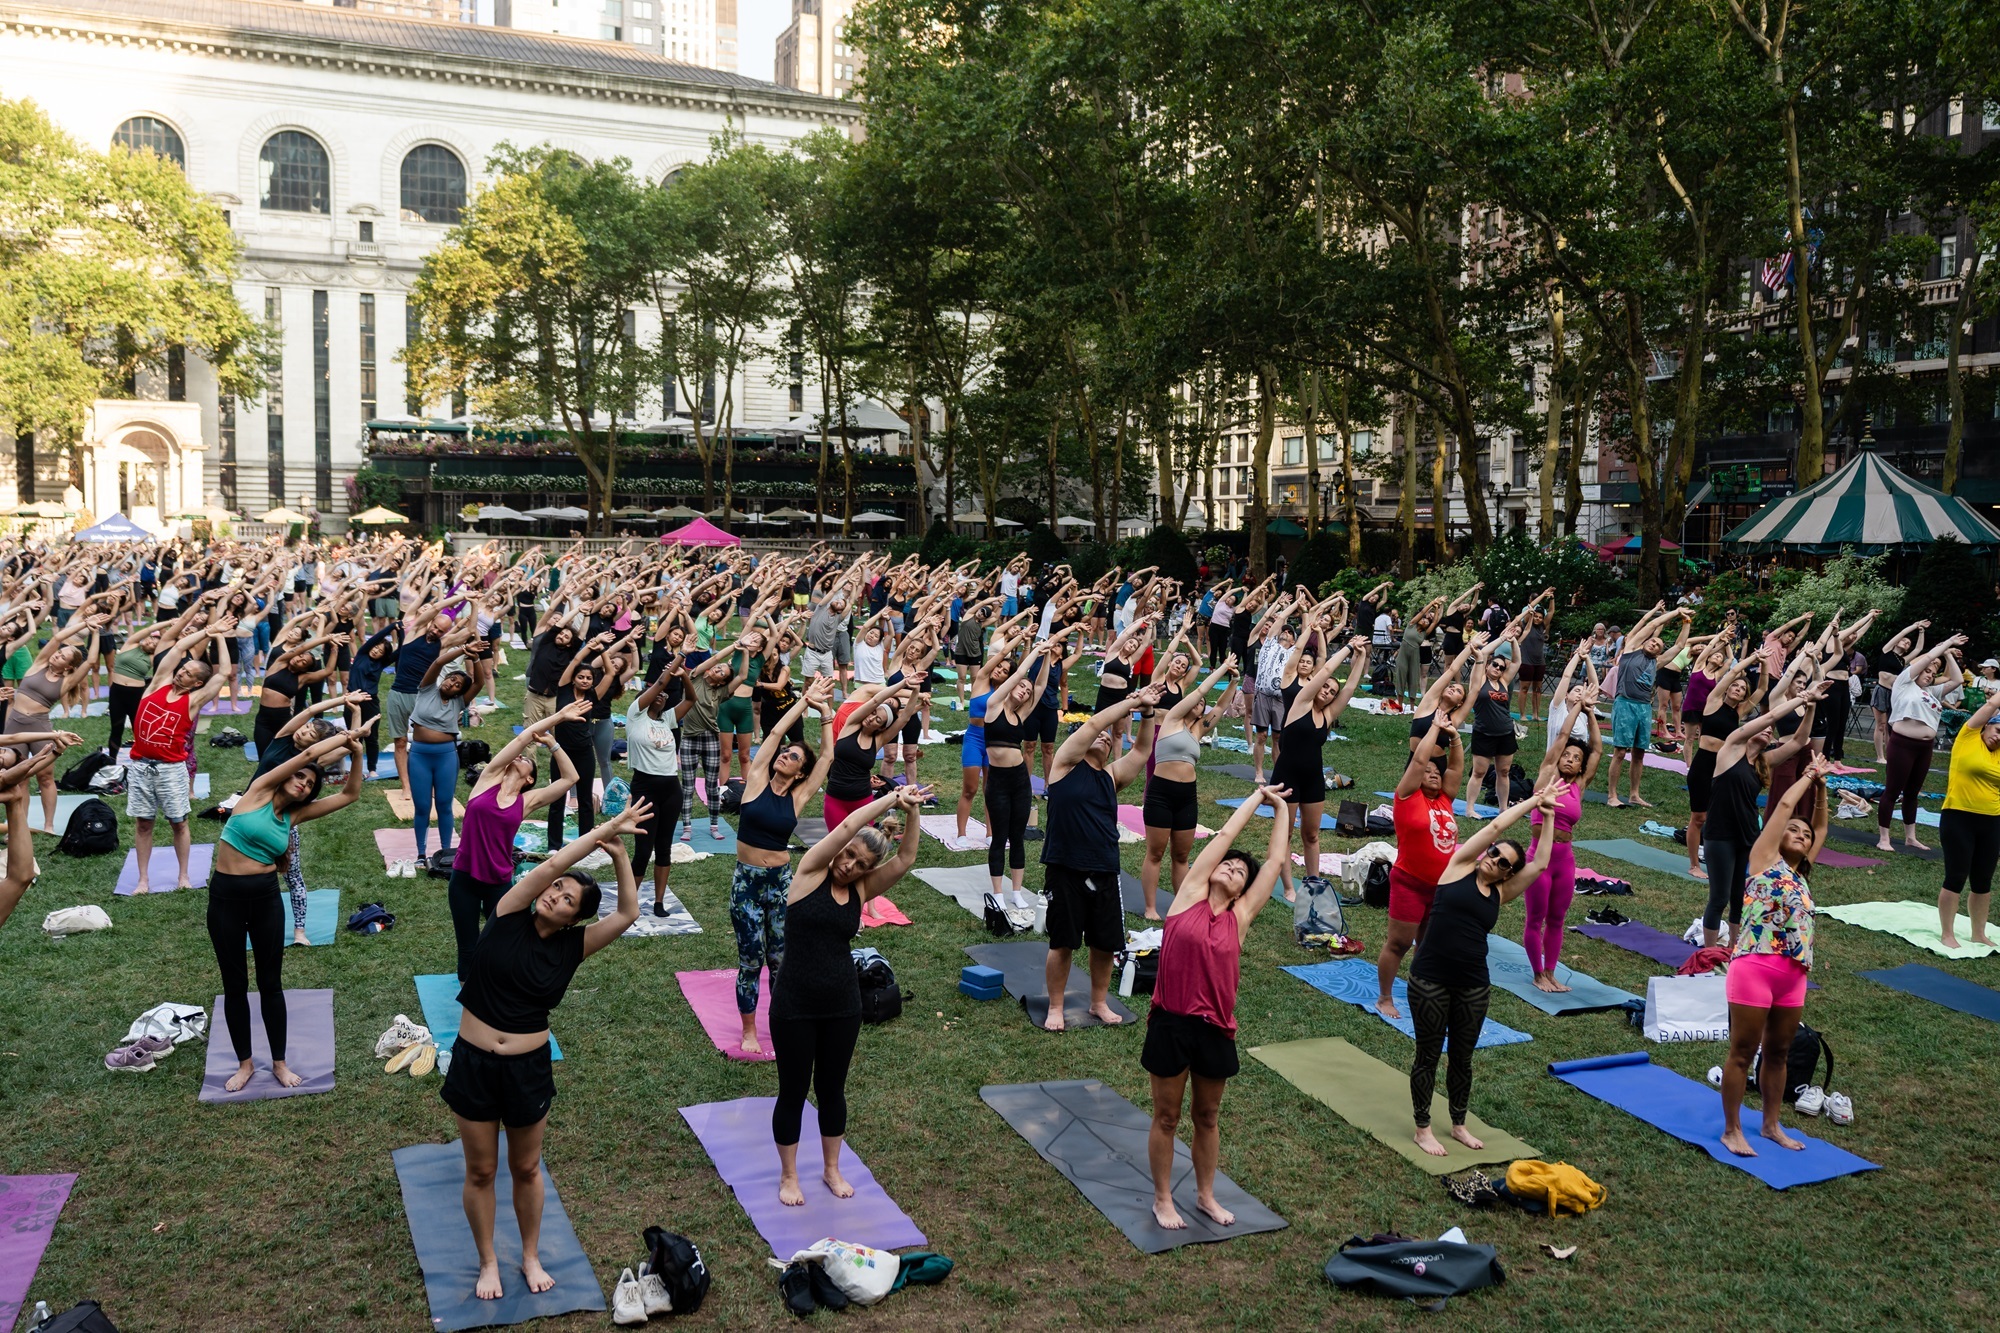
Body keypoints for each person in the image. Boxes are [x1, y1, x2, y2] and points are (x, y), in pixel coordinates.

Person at [443, 802, 648, 1302]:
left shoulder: (572, 947)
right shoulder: (509, 911)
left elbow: (628, 913)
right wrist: (602, 831)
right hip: (473, 1061)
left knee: (527, 1168)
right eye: (557, 889)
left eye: (567, 899)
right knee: (481, 1170)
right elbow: (553, 865)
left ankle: (529, 1254)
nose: (556, 894)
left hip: (527, 1068)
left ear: (575, 918)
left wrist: (619, 853)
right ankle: (488, 1260)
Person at [769, 785, 927, 1207]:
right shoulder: (810, 872)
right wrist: (892, 798)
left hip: (842, 1003)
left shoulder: (859, 890)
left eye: (860, 864)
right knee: (793, 1089)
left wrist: (911, 812)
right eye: (849, 855)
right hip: (794, 1003)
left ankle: (831, 1169)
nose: (849, 865)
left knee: (832, 1088)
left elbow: (907, 859)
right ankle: (789, 1175)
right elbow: (847, 825)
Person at [1144, 783, 1290, 1230]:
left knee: (1206, 1116)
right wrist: (1256, 796)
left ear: (1243, 889)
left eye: (1238, 872)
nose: (1230, 868)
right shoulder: (1186, 897)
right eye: (1225, 865)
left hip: (1215, 1029)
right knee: (1167, 1117)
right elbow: (1224, 836)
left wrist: (1281, 807)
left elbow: (1276, 863)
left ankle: (1206, 1195)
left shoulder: (1239, 919)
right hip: (1171, 1022)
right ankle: (1163, 1198)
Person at [1408, 782, 1567, 1157]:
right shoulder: (1458, 867)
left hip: (1473, 985)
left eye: (1503, 863)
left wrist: (1547, 817)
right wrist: (1533, 800)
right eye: (1495, 854)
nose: (1494, 859)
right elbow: (1494, 828)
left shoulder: (1500, 893)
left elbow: (1541, 862)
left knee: (1463, 1057)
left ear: (1507, 875)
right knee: (1428, 1055)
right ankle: (1422, 1128)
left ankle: (1459, 1124)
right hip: (1429, 978)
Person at [209, 728, 366, 1091]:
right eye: (300, 776)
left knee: (270, 984)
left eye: (310, 783)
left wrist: (356, 752)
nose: (303, 783)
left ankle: (279, 1063)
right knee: (234, 985)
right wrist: (347, 736)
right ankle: (245, 1064)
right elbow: (302, 756)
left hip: (265, 900)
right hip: (225, 901)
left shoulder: (291, 818)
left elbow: (351, 794)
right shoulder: (257, 792)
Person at [1719, 759, 1830, 1157]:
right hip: (1754, 966)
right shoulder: (1764, 859)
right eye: (1793, 831)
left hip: (1793, 975)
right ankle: (1732, 1129)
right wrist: (1806, 776)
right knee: (1743, 1052)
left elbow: (1821, 826)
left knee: (1779, 1052)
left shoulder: (1802, 875)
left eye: (1805, 834)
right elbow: (1784, 809)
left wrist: (1821, 787)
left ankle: (1770, 1125)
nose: (1801, 834)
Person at [1041, 681, 1167, 1030]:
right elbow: (1096, 725)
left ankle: (1098, 1002)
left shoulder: (1111, 777)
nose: (1103, 738)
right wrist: (1130, 703)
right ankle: (1055, 1006)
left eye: (1109, 739)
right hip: (1065, 866)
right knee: (1063, 943)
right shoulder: (1064, 766)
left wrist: (1146, 712)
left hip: (1104, 869)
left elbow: (1142, 752)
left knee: (1103, 944)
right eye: (1097, 736)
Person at [731, 678, 840, 1053]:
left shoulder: (798, 796)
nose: (785, 756)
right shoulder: (757, 779)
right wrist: (804, 701)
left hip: (780, 885)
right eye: (786, 753)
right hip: (746, 883)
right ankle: (749, 1032)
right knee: (749, 960)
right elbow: (776, 732)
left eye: (794, 757)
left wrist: (826, 713)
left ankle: (782, 1020)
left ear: (799, 773)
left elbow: (826, 758)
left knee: (780, 958)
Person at [449, 703, 584, 978]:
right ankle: (469, 1006)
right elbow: (522, 738)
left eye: (525, 760)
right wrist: (557, 716)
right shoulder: (486, 781)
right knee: (467, 947)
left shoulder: (527, 801)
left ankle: (497, 989)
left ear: (530, 778)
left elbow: (571, 778)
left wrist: (553, 744)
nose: (519, 756)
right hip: (464, 878)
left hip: (499, 883)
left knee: (501, 940)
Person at [1702, 686, 1824, 948]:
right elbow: (1769, 718)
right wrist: (1800, 699)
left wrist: (1811, 706)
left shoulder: (1763, 762)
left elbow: (1798, 741)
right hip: (1719, 834)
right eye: (1764, 729)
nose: (1769, 731)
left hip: (1747, 837)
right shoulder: (1731, 749)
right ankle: (1709, 954)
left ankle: (1736, 949)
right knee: (1719, 897)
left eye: (1770, 733)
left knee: (1739, 896)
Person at [1376, 695, 1472, 1019]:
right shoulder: (1407, 797)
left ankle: (1420, 991)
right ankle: (1385, 997)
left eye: (1436, 770)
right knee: (1399, 944)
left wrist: (1455, 736)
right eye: (1427, 770)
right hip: (1410, 883)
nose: (1432, 772)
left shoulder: (1445, 799)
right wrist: (1434, 728)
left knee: (1428, 947)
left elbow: (1457, 766)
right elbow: (1418, 761)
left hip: (1441, 887)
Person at [126, 619, 235, 894]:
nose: (180, 674)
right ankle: (142, 880)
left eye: (187, 674)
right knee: (143, 824)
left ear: (197, 683)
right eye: (181, 670)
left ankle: (183, 875)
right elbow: (177, 648)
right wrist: (207, 631)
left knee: (179, 823)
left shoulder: (193, 701)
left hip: (171, 769)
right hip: (140, 766)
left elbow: (223, 673)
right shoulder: (156, 686)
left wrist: (219, 637)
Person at [1271, 625, 1370, 904]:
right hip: (1286, 776)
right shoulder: (1300, 702)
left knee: (1311, 835)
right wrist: (1348, 648)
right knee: (1285, 834)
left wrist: (1360, 656)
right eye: (1324, 687)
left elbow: (1350, 687)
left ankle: (1313, 882)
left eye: (1331, 691)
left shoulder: (1326, 716)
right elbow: (1325, 672)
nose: (1327, 691)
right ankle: (1288, 886)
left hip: (1313, 778)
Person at [1140, 658, 1240, 922]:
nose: (1199, 705)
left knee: (1181, 855)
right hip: (1161, 792)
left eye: (1201, 706)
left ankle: (1181, 906)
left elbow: (1220, 705)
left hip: (1187, 797)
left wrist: (1234, 681)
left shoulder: (1197, 730)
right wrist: (1220, 668)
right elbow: (1200, 692)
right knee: (1155, 853)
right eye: (1195, 702)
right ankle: (1150, 908)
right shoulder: (1171, 719)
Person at [1521, 686, 1601, 990]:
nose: (1568, 759)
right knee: (1535, 918)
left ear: (1581, 766)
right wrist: (1576, 709)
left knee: (1556, 918)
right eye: (1566, 755)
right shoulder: (1547, 775)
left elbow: (1596, 748)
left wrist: (1591, 712)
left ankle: (1551, 972)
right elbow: (1560, 739)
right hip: (1538, 858)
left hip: (1565, 859)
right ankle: (1538, 973)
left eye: (1575, 758)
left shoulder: (1579, 784)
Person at [1879, 634, 1966, 853]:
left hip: (1924, 748)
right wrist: (1945, 644)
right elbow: (1926, 659)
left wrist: (1947, 654)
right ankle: (1884, 837)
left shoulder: (1932, 692)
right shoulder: (1903, 684)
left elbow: (1957, 680)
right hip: (1902, 744)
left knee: (1912, 792)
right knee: (1892, 790)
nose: (1929, 675)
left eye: (1932, 673)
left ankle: (1911, 837)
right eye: (1926, 671)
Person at [409, 618, 484, 865]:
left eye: (457, 685)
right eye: (451, 679)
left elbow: (480, 682)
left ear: (459, 693)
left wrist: (475, 658)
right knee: (421, 806)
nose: (451, 683)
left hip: (445, 756)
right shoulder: (427, 688)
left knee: (444, 804)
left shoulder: (457, 703)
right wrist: (464, 649)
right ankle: (421, 853)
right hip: (419, 754)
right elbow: (439, 661)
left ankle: (445, 852)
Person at [1604, 603, 1693, 808]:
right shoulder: (1632, 649)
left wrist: (1686, 621)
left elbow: (1680, 646)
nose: (1654, 644)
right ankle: (1612, 795)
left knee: (1639, 753)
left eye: (1659, 645)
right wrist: (1675, 612)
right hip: (1625, 704)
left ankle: (1634, 794)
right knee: (1619, 752)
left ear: (1659, 652)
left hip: (1644, 708)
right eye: (1653, 641)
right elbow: (1653, 623)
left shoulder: (1657, 663)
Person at [1686, 654, 1766, 880]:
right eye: (1736, 686)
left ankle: (1716, 859)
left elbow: (1762, 689)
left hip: (1724, 767)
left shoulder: (1738, 712)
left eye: (1742, 688)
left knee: (1716, 817)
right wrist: (1752, 658)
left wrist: (1765, 662)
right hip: (1703, 763)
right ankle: (1693, 864)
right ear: (1728, 688)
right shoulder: (1713, 702)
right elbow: (1731, 673)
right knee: (1698, 817)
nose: (1738, 689)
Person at [1938, 686, 2000, 950]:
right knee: (1956, 874)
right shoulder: (1967, 737)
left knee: (1983, 879)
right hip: (1958, 817)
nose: (1999, 737)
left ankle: (1978, 933)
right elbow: (1988, 707)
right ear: (1985, 727)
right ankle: (1947, 933)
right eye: (1997, 730)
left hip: (1992, 821)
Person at [624, 667, 686, 917]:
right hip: (645, 787)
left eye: (665, 696)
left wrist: (684, 677)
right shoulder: (635, 716)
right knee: (643, 849)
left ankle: (658, 902)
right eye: (657, 694)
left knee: (664, 847)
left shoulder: (668, 720)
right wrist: (677, 662)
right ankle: (629, 903)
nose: (662, 697)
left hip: (671, 788)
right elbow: (659, 683)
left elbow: (690, 700)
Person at [1462, 621, 1526, 814]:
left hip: (1505, 732)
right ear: (1488, 665)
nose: (1498, 668)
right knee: (1479, 772)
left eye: (1501, 666)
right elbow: (1482, 653)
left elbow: (1516, 662)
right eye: (1495, 665)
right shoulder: (1479, 680)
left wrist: (1514, 641)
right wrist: (1502, 638)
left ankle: (1503, 808)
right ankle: (1470, 808)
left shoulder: (1505, 681)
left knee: (1504, 772)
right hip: (1484, 732)